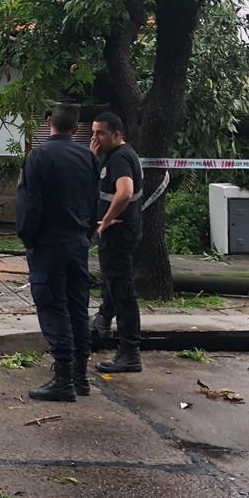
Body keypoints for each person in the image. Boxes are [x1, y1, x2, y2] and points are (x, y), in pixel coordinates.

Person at [16, 103, 98, 401]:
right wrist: (86, 235)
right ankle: (80, 377)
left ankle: (63, 379)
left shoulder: (38, 156)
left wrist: (28, 238)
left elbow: (30, 204)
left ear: (48, 122)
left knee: (53, 305)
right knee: (78, 307)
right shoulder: (88, 157)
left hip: (49, 245)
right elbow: (94, 203)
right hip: (78, 244)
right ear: (76, 129)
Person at [90, 111, 144, 373]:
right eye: (93, 132)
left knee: (123, 292)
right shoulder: (111, 156)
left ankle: (129, 353)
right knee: (114, 282)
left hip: (119, 234)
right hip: (119, 234)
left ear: (117, 134)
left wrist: (106, 220)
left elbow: (125, 193)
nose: (96, 137)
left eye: (100, 133)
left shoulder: (121, 157)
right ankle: (101, 320)